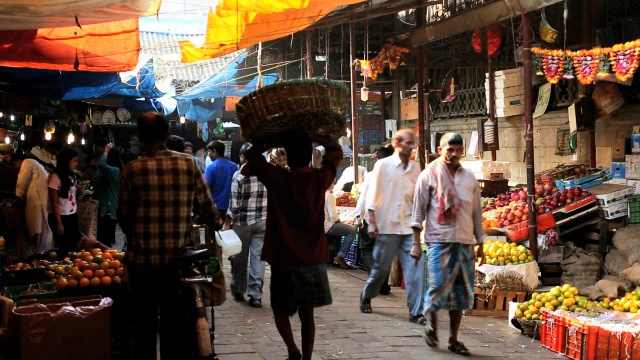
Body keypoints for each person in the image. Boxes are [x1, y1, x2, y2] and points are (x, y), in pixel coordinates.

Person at [118, 112, 221, 360]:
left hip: (142, 266)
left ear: (139, 137)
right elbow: (208, 210)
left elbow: (124, 217)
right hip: (177, 266)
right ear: (166, 135)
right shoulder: (188, 164)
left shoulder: (131, 170)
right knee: (174, 328)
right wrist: (212, 222)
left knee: (143, 328)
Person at [242, 130, 342, 360]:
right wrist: (318, 136)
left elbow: (249, 162)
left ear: (287, 154)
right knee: (308, 314)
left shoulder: (278, 177)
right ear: (309, 156)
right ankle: (306, 356)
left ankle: (292, 349)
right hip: (312, 256)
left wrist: (268, 142)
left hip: (282, 255)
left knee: (280, 310)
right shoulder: (319, 179)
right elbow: (335, 151)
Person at [411, 132, 484, 357]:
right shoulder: (428, 175)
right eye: (449, 149)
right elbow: (417, 212)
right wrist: (415, 243)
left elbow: (476, 213)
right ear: (441, 149)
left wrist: (480, 242)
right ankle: (432, 325)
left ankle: (453, 339)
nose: (453, 154)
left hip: (464, 242)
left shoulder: (470, 178)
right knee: (438, 287)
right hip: (438, 241)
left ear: (462, 151)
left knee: (461, 295)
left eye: (457, 150)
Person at [359, 129, 424, 325]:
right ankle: (367, 295)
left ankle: (416, 312)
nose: (411, 147)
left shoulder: (415, 167)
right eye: (407, 142)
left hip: (408, 227)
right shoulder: (383, 166)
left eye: (412, 143)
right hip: (386, 226)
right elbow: (372, 195)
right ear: (396, 144)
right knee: (380, 271)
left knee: (415, 271)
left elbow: (418, 198)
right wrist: (371, 221)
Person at [222, 142, 267, 307]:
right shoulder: (266, 173)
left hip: (242, 222)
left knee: (240, 258)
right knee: (259, 258)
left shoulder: (239, 174)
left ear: (243, 157)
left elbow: (233, 203)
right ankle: (256, 295)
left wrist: (227, 223)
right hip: (263, 221)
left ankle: (239, 289)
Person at [354, 144, 394, 293]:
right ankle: (383, 286)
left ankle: (375, 279)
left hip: (373, 219)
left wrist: (358, 215)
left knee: (366, 249)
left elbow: (364, 196)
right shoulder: (396, 174)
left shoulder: (371, 175)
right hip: (389, 220)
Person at [12, 152, 53, 253]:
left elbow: (22, 181)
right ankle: (41, 251)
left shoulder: (27, 163)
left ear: (18, 161)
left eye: (15, 164)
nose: (16, 167)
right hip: (39, 199)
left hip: (38, 199)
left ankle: (41, 253)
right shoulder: (33, 163)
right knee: (40, 226)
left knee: (38, 226)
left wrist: (17, 194)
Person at [48, 148, 82, 257]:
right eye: (74, 161)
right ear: (66, 161)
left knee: (74, 245)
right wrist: (59, 223)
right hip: (59, 217)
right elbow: (54, 202)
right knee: (64, 248)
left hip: (71, 215)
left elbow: (72, 197)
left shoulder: (72, 176)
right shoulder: (54, 177)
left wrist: (79, 190)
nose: (76, 164)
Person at [94, 143, 122, 247]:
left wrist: (105, 151)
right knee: (103, 239)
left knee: (104, 241)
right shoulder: (111, 172)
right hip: (106, 209)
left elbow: (101, 165)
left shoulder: (115, 171)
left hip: (109, 210)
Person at [324, 186, 357, 269]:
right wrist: (340, 223)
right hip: (326, 226)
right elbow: (333, 217)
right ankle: (340, 256)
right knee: (352, 230)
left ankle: (335, 256)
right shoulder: (329, 196)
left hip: (318, 226)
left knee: (340, 230)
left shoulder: (316, 194)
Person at [205, 141, 238, 215]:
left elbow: (206, 188)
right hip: (231, 207)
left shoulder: (210, 167)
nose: (208, 154)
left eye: (209, 151)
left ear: (215, 151)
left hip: (215, 207)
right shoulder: (234, 166)